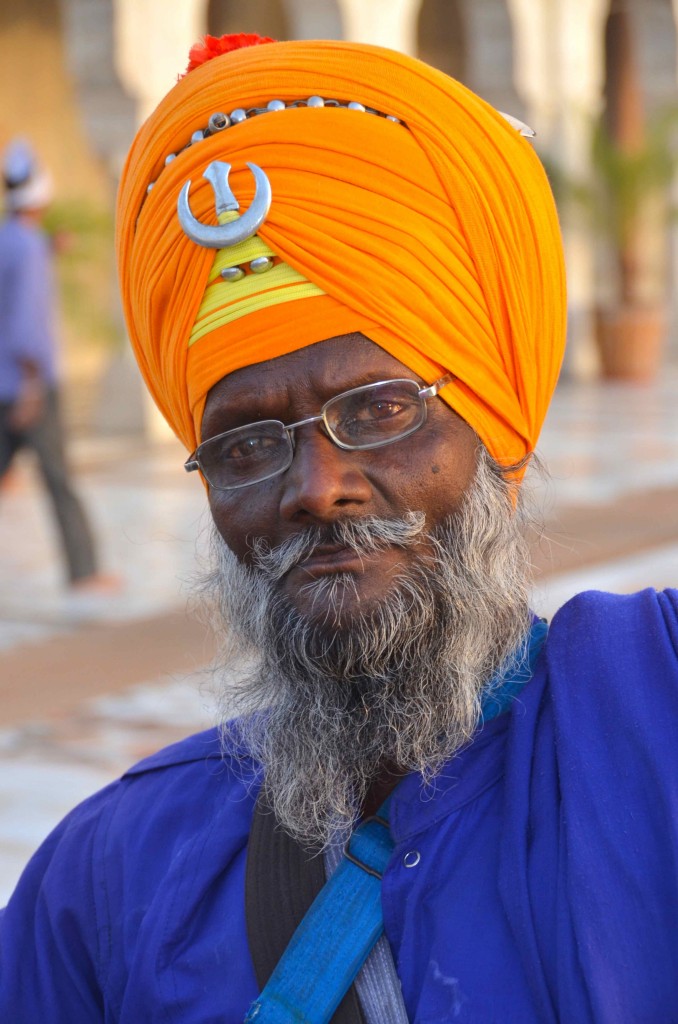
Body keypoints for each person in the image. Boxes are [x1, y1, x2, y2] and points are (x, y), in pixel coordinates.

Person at [1, 35, 677, 1023]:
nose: (316, 487)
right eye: (243, 444)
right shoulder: (111, 883)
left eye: (380, 409)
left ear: (491, 423)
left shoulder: (652, 709)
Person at [0, 139, 115, 592]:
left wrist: (48, 248)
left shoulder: (15, 241)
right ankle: (85, 573)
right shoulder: (28, 248)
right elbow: (26, 326)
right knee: (60, 482)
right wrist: (31, 389)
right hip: (30, 387)